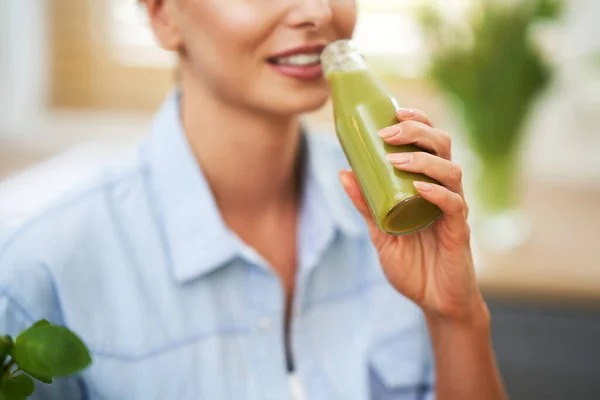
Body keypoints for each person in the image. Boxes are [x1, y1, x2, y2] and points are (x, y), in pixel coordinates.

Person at [0, 0, 507, 399]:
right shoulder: (46, 267)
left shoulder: (403, 211)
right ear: (163, 14)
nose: (317, 11)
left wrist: (455, 319)